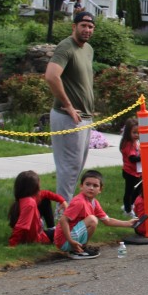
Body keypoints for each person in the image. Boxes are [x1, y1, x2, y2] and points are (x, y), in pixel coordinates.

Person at [45, 11, 96, 202]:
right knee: (69, 168)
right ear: (74, 27)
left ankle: (70, 209)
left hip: (84, 117)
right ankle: (62, 214)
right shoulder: (66, 47)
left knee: (77, 167)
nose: (87, 30)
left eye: (90, 27)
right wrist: (68, 105)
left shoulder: (88, 49)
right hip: (68, 117)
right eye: (83, 25)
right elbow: (51, 76)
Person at [54, 170, 136, 259]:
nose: (91, 188)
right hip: (64, 241)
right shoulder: (79, 202)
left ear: (100, 189)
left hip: (71, 238)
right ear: (81, 186)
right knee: (92, 220)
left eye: (95, 185)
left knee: (92, 220)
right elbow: (63, 220)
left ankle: (80, 248)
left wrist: (128, 223)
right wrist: (70, 240)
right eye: (87, 184)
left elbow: (107, 221)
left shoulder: (94, 202)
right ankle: (77, 250)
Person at [8, 170, 66, 246]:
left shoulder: (25, 197)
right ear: (33, 188)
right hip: (36, 238)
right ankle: (53, 233)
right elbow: (21, 226)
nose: (40, 188)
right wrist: (12, 243)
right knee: (67, 230)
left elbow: (46, 193)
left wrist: (62, 201)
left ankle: (52, 228)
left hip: (36, 230)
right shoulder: (29, 204)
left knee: (45, 200)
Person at [119, 118, 142, 217]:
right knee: (129, 192)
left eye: (139, 133)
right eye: (134, 132)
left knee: (137, 190)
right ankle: (127, 210)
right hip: (130, 172)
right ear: (128, 132)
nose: (137, 135)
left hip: (136, 172)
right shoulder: (128, 144)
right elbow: (132, 159)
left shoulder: (134, 142)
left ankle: (130, 205)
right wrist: (144, 157)